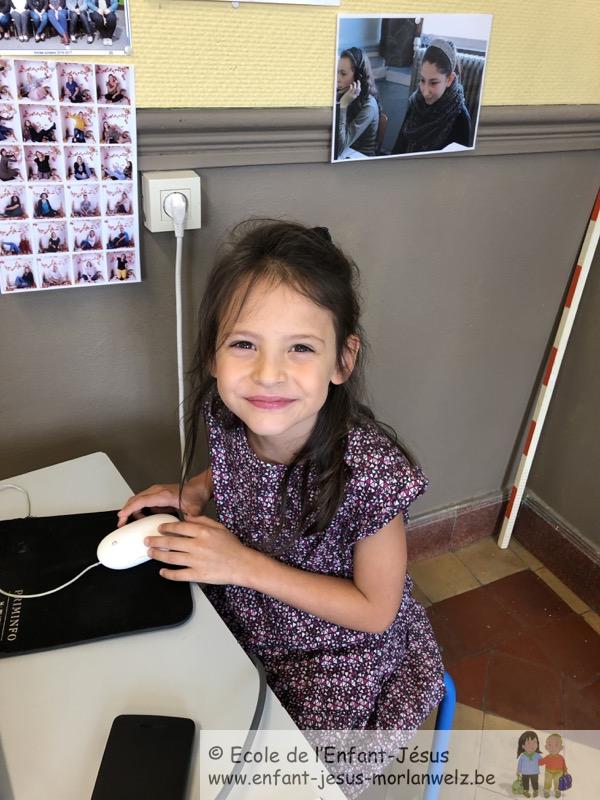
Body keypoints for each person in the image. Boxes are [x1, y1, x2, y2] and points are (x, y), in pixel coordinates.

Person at [117, 220, 445, 735]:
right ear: (213, 354)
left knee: (276, 764)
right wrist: (198, 487)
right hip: (248, 610)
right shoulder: (230, 416)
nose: (268, 374)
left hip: (335, 653)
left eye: (301, 348)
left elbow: (375, 611)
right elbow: (240, 465)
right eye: (244, 344)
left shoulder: (371, 475)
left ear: (342, 360)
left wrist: (242, 565)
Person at [393, 38, 472, 155]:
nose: (425, 92)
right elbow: (398, 148)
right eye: (422, 80)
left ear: (450, 79)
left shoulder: (461, 119)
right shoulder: (416, 102)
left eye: (433, 83)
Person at [335, 47, 381, 159]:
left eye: (343, 74)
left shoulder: (369, 106)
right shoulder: (342, 94)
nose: (337, 79)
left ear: (358, 78)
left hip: (360, 161)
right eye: (337, 72)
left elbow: (339, 146)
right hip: (344, 156)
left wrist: (343, 106)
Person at [516, 731, 542, 799]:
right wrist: (518, 771)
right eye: (529, 743)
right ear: (523, 746)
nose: (532, 745)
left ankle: (535, 791)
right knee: (525, 782)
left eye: (534, 742)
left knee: (535, 782)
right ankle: (525, 791)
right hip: (525, 773)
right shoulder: (523, 756)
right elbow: (520, 764)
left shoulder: (537, 755)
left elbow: (542, 761)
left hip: (534, 772)